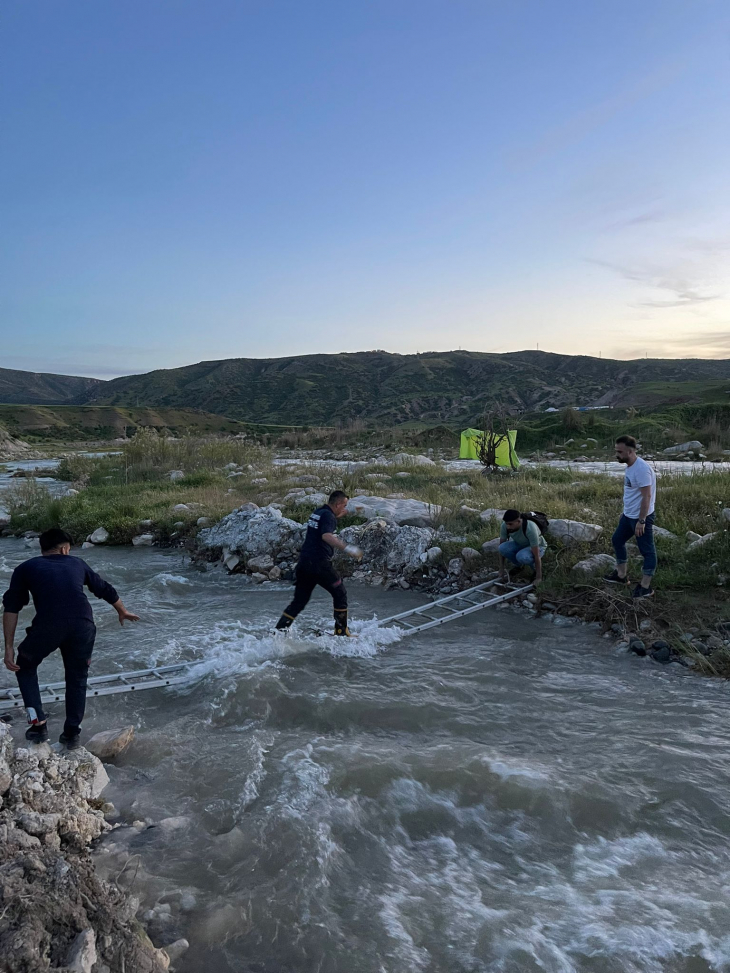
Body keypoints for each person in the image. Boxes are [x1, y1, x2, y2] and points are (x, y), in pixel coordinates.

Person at [2, 528, 140, 749]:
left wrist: (8, 647)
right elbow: (104, 588)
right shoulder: (77, 563)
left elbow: (11, 608)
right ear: (65, 549)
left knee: (24, 665)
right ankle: (71, 734)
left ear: (42, 549)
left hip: (49, 625)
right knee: (77, 677)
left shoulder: (25, 568)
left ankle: (38, 725)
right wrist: (122, 611)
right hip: (83, 624)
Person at [275, 491, 363, 636]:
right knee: (340, 593)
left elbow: (335, 515)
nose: (344, 508)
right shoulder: (328, 516)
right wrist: (348, 549)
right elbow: (326, 535)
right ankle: (341, 632)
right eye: (345, 505)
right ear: (338, 504)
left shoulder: (319, 512)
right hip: (319, 564)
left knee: (299, 601)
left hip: (304, 564)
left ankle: (278, 632)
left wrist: (351, 511)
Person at [604, 434, 657, 598]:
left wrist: (641, 521)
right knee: (617, 540)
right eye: (616, 451)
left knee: (647, 551)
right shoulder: (630, 466)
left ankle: (645, 587)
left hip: (640, 518)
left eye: (619, 452)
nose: (617, 454)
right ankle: (621, 576)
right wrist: (626, 513)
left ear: (630, 451)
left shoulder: (641, 469)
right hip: (629, 516)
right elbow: (632, 493)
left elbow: (646, 496)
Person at [498, 509, 546, 584]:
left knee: (522, 556)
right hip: (520, 544)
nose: (508, 527)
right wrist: (501, 569)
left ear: (519, 521)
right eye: (506, 523)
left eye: (510, 524)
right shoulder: (504, 526)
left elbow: (537, 555)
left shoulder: (530, 528)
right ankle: (519, 566)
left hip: (538, 546)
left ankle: (534, 569)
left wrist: (538, 577)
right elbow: (501, 548)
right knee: (502, 548)